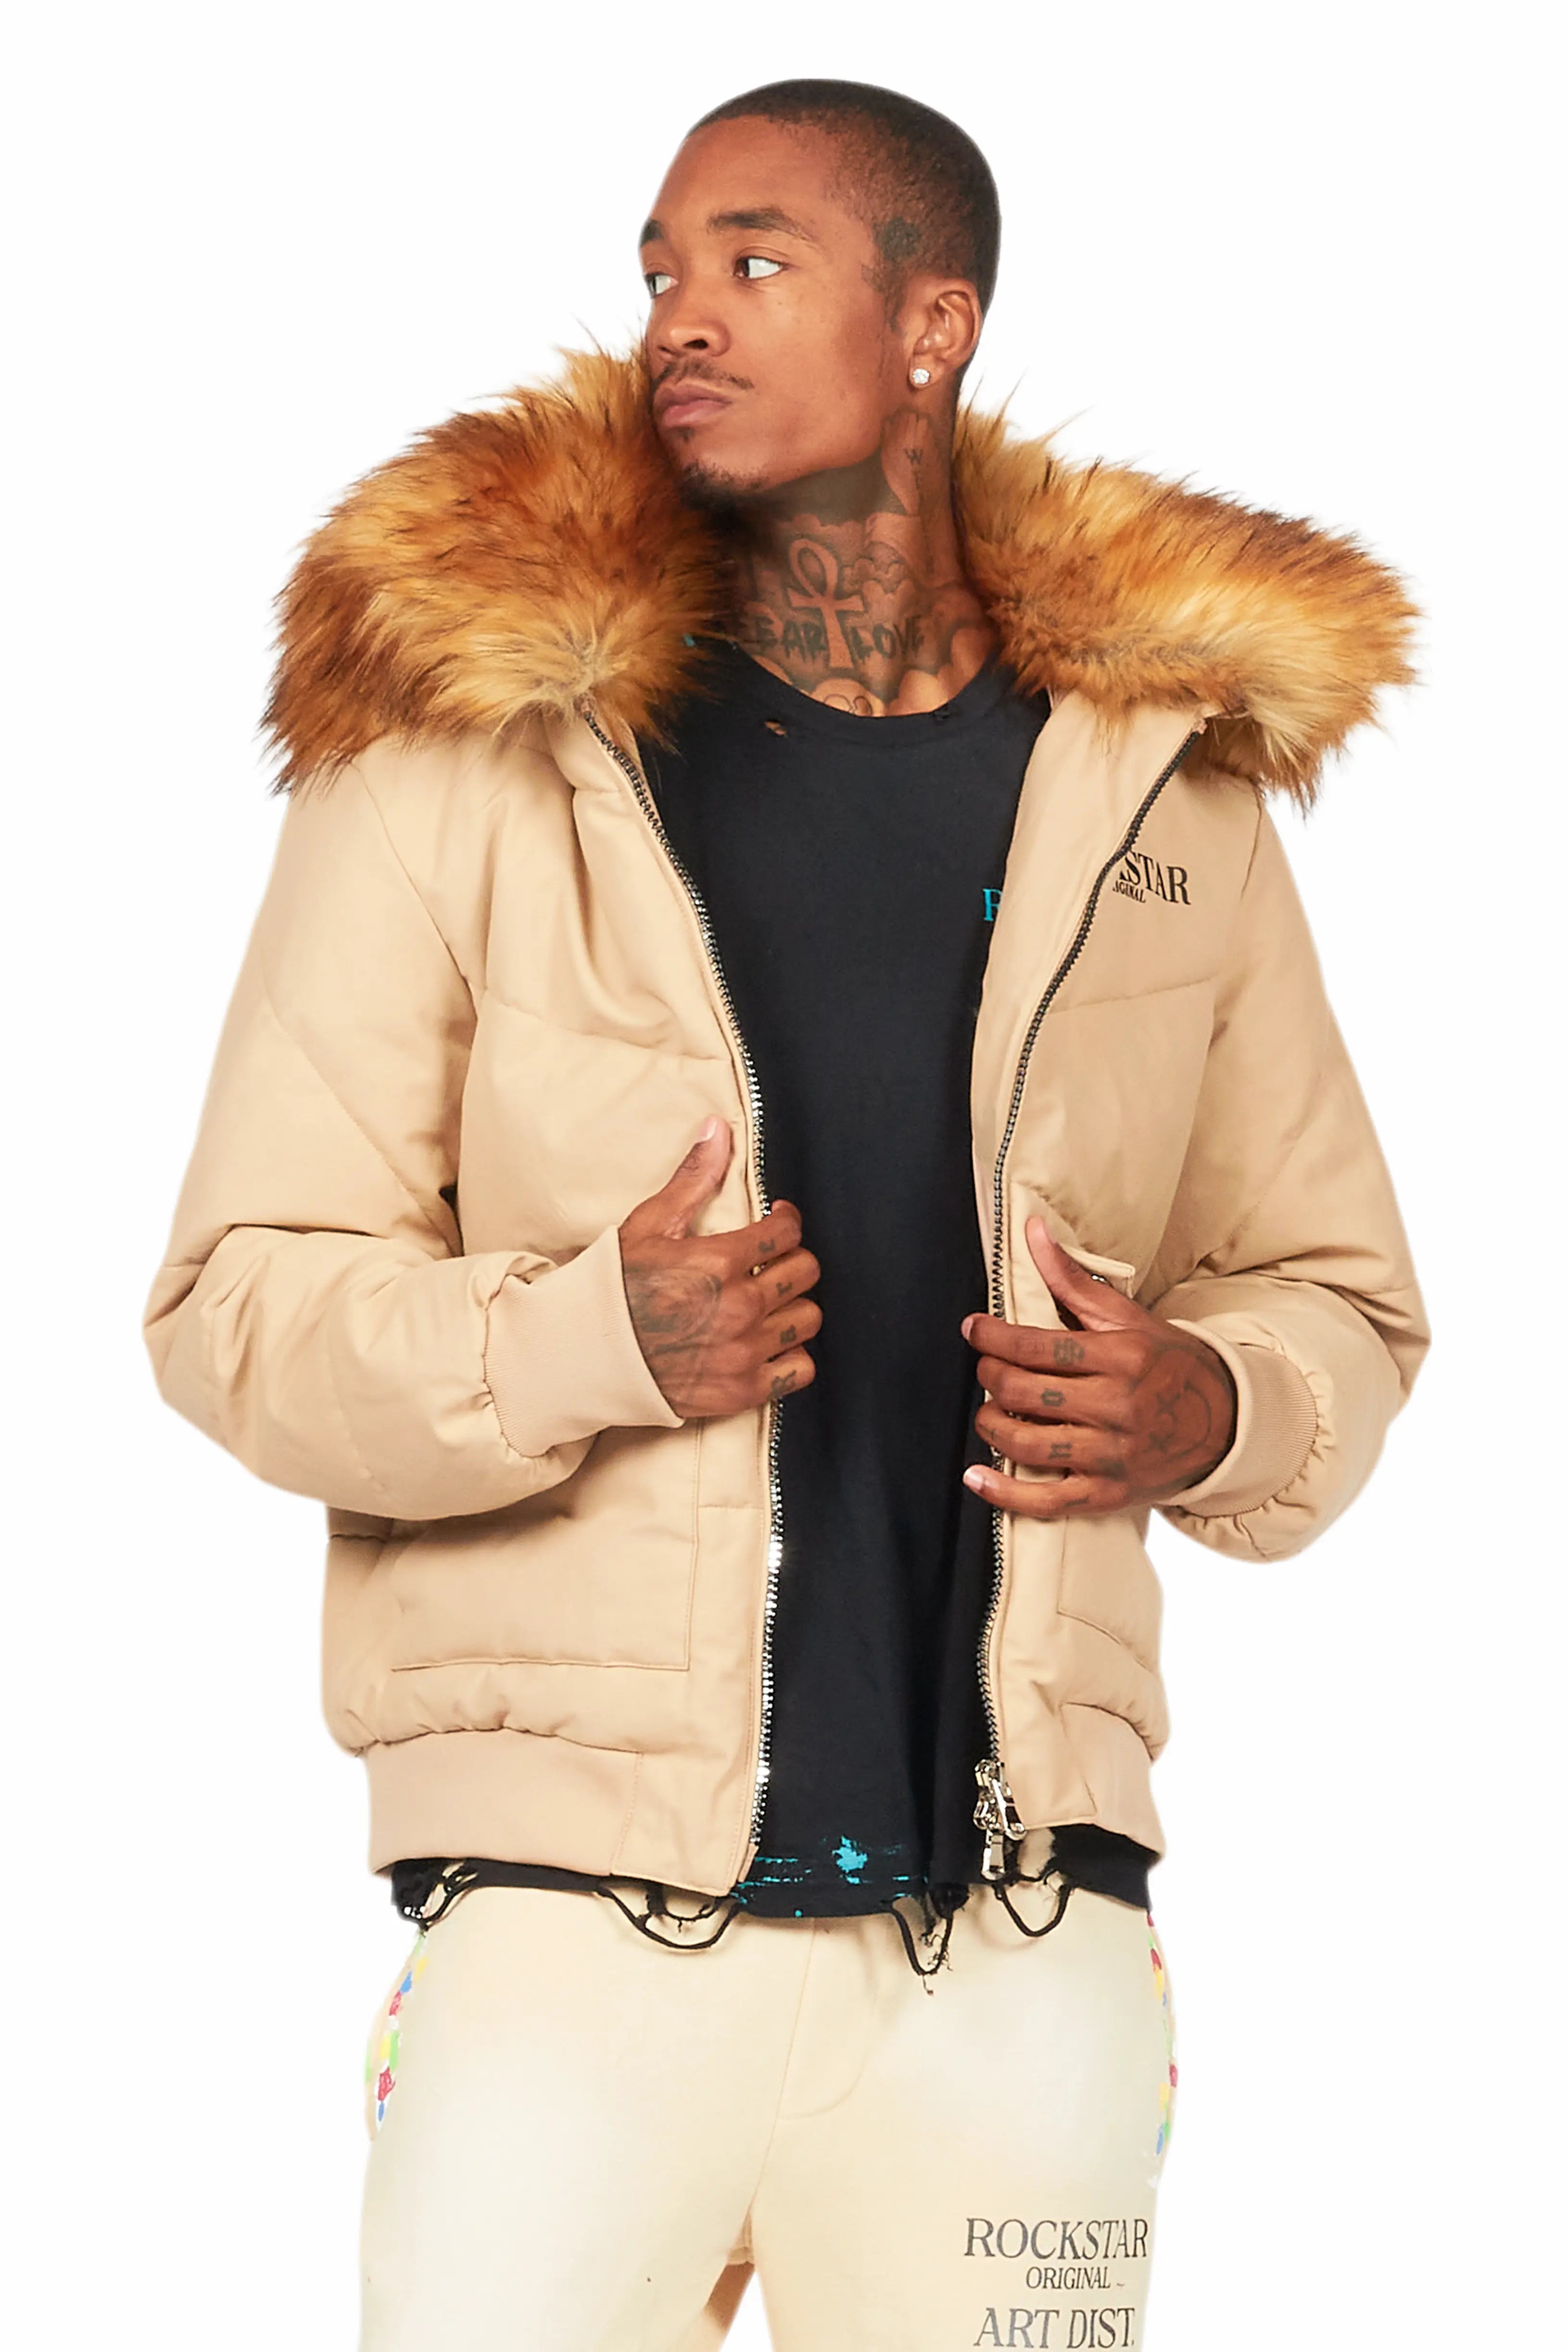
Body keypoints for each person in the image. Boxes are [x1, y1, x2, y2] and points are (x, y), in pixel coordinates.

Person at [145, 76, 1428, 2352]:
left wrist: (1211, 1403)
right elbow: (234, 1303)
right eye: (658, 269)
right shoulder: (465, 744)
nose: (680, 318)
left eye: (753, 261)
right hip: (566, 1944)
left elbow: (1335, 1291)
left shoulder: (1160, 783)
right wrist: (585, 1339)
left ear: (933, 324)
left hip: (1019, 1954)